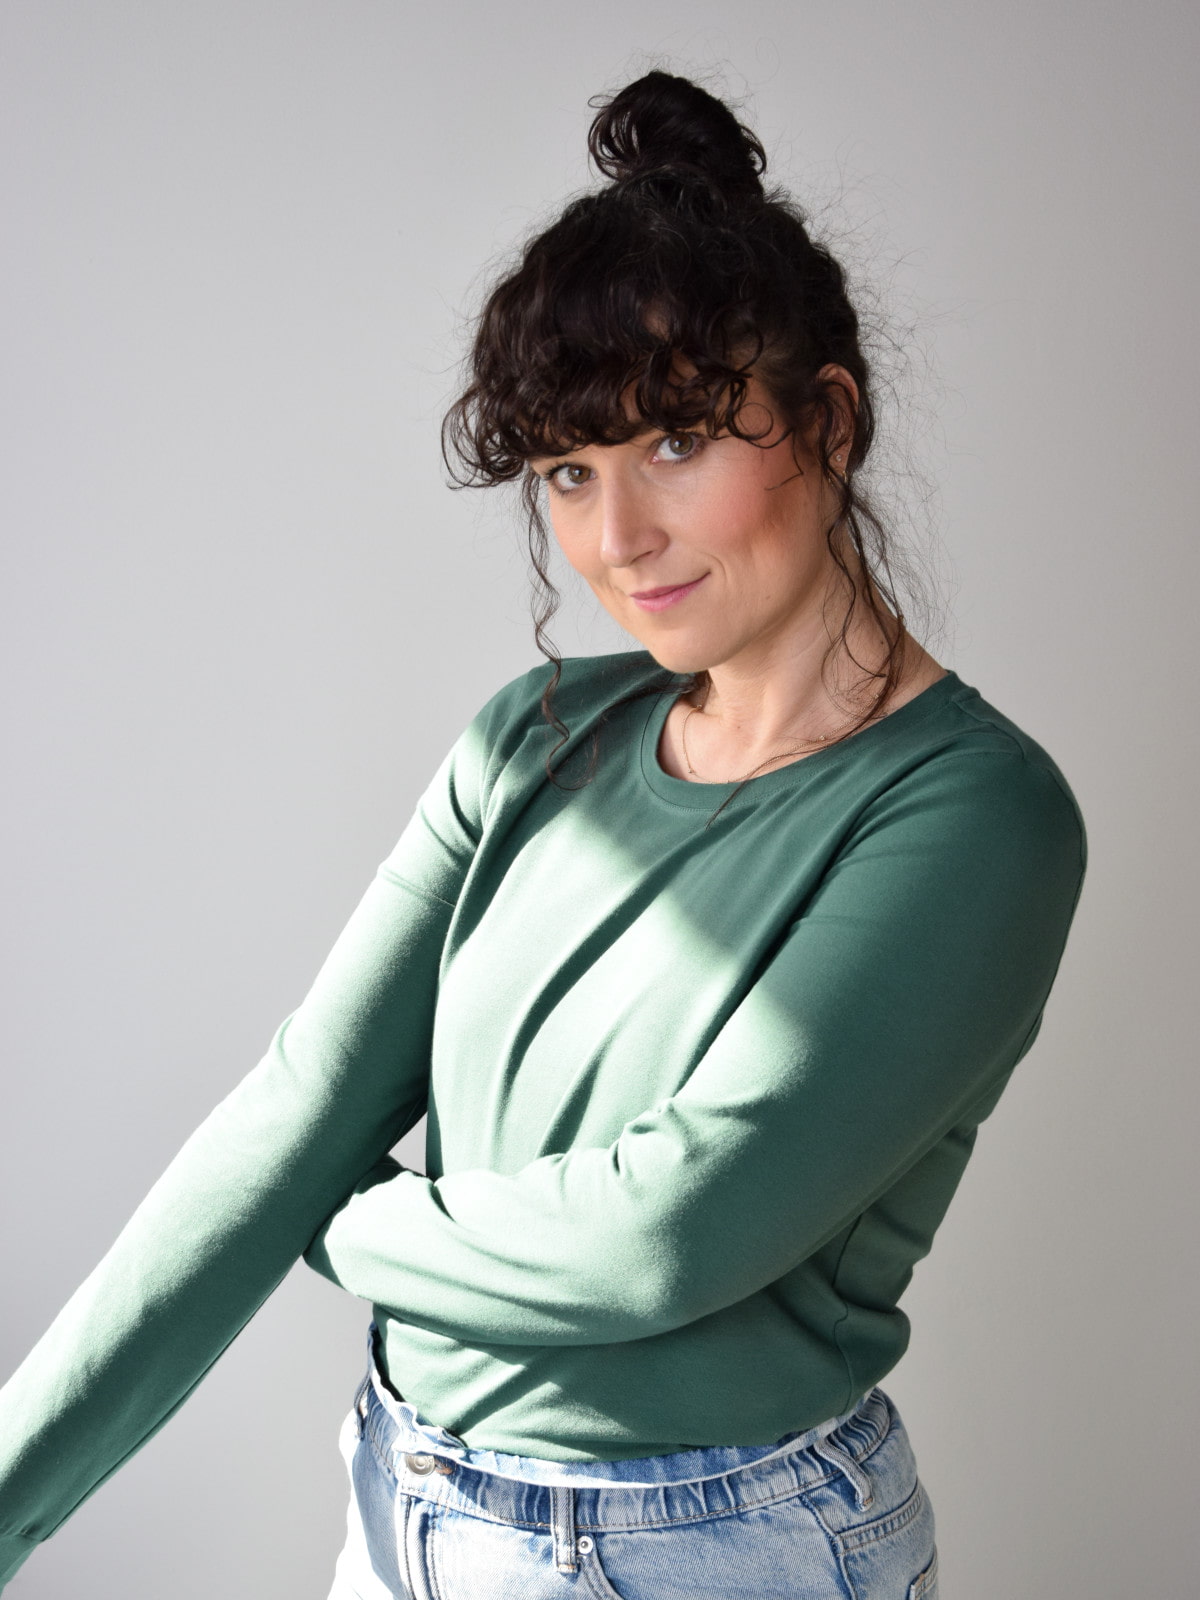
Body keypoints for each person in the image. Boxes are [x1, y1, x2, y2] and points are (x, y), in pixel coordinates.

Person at [0, 70, 1087, 1600]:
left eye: (677, 443)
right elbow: (298, 1105)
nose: (616, 539)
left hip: (717, 1544)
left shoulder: (974, 815)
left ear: (829, 421)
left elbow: (662, 1236)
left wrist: (335, 1218)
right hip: (403, 1502)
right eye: (571, 471)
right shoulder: (532, 741)